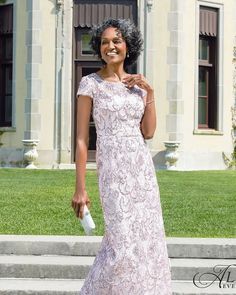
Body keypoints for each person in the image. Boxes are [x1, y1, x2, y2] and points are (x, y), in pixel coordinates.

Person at [71, 18, 172, 295]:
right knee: (120, 243)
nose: (110, 46)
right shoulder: (89, 84)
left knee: (145, 239)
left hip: (141, 171)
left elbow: (148, 133)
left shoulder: (138, 87)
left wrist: (150, 92)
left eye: (116, 41)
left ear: (128, 46)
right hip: (113, 170)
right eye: (104, 42)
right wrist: (80, 188)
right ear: (99, 47)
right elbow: (81, 139)